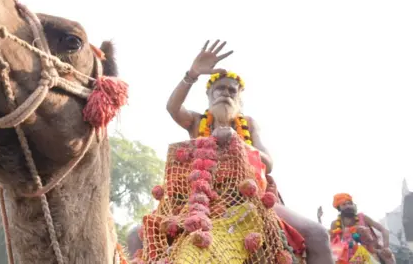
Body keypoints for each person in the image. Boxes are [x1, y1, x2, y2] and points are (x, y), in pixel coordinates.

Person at [165, 39, 334, 264]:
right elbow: (172, 108)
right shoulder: (196, 121)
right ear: (209, 95)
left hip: (252, 198)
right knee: (138, 235)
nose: (225, 93)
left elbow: (269, 162)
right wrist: (192, 74)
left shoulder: (248, 124)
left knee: (318, 235)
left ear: (238, 99)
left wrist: (239, 143)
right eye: (219, 89)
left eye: (231, 91)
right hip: (200, 201)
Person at [329, 193, 394, 264]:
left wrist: (386, 247)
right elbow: (333, 244)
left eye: (350, 203)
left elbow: (384, 230)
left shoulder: (362, 217)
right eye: (344, 204)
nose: (348, 206)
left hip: (370, 254)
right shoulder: (335, 224)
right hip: (347, 259)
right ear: (339, 208)